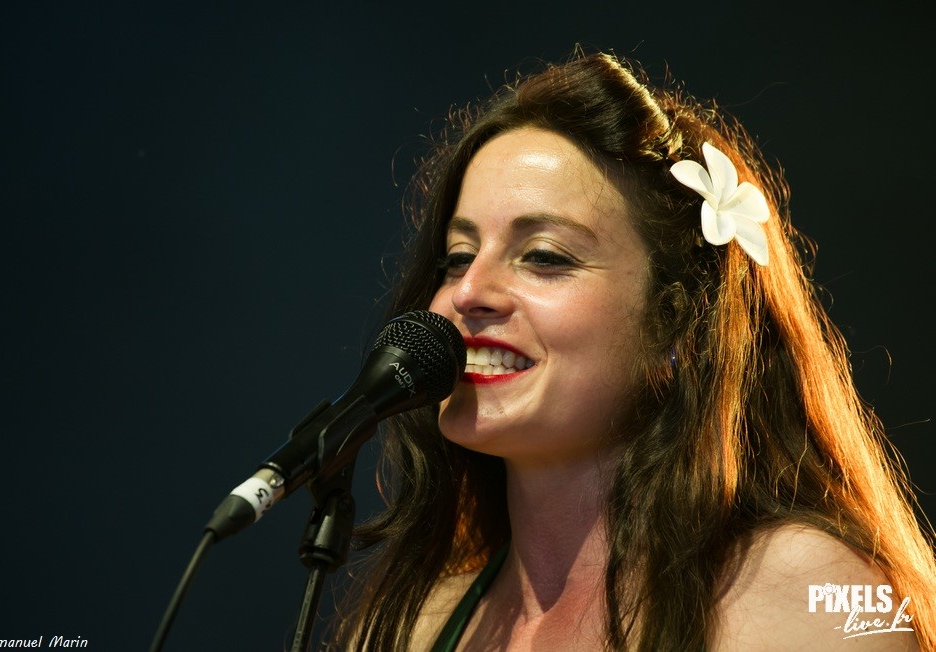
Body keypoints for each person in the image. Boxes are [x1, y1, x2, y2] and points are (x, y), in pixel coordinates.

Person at [329, 48, 936, 650]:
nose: (467, 293)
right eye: (458, 258)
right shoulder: (410, 626)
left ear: (678, 321)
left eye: (544, 256)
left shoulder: (812, 594)